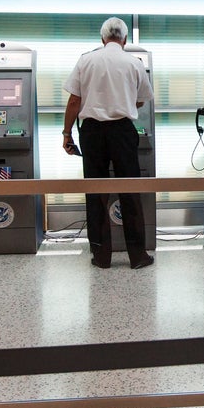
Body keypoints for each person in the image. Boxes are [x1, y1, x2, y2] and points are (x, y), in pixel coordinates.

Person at [62, 17, 155, 269]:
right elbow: (142, 99)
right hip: (122, 131)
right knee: (130, 191)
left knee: (96, 193)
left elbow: (74, 101)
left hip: (92, 132)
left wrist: (67, 133)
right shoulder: (134, 63)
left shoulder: (86, 60)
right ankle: (138, 256)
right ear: (124, 39)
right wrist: (122, 102)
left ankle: (101, 256)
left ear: (102, 38)